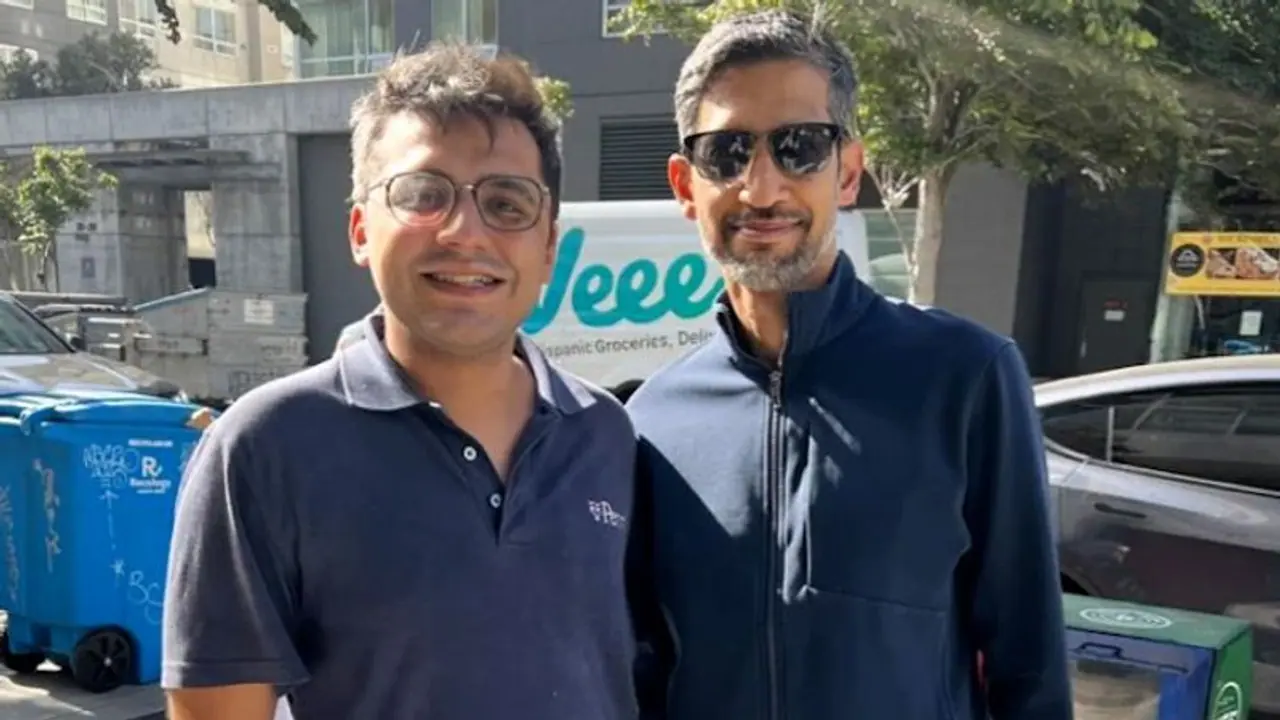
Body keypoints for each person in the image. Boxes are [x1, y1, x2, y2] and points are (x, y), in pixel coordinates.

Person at [162, 44, 642, 720]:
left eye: (507, 203)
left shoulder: (606, 435)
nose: (464, 231)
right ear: (360, 229)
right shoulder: (266, 447)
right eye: (423, 195)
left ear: (549, 249)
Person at [625, 10, 1072, 720]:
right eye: (727, 152)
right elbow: (644, 668)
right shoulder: (650, 420)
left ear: (848, 172)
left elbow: (1030, 664)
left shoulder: (965, 376)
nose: (761, 187)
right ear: (686, 185)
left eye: (799, 147)